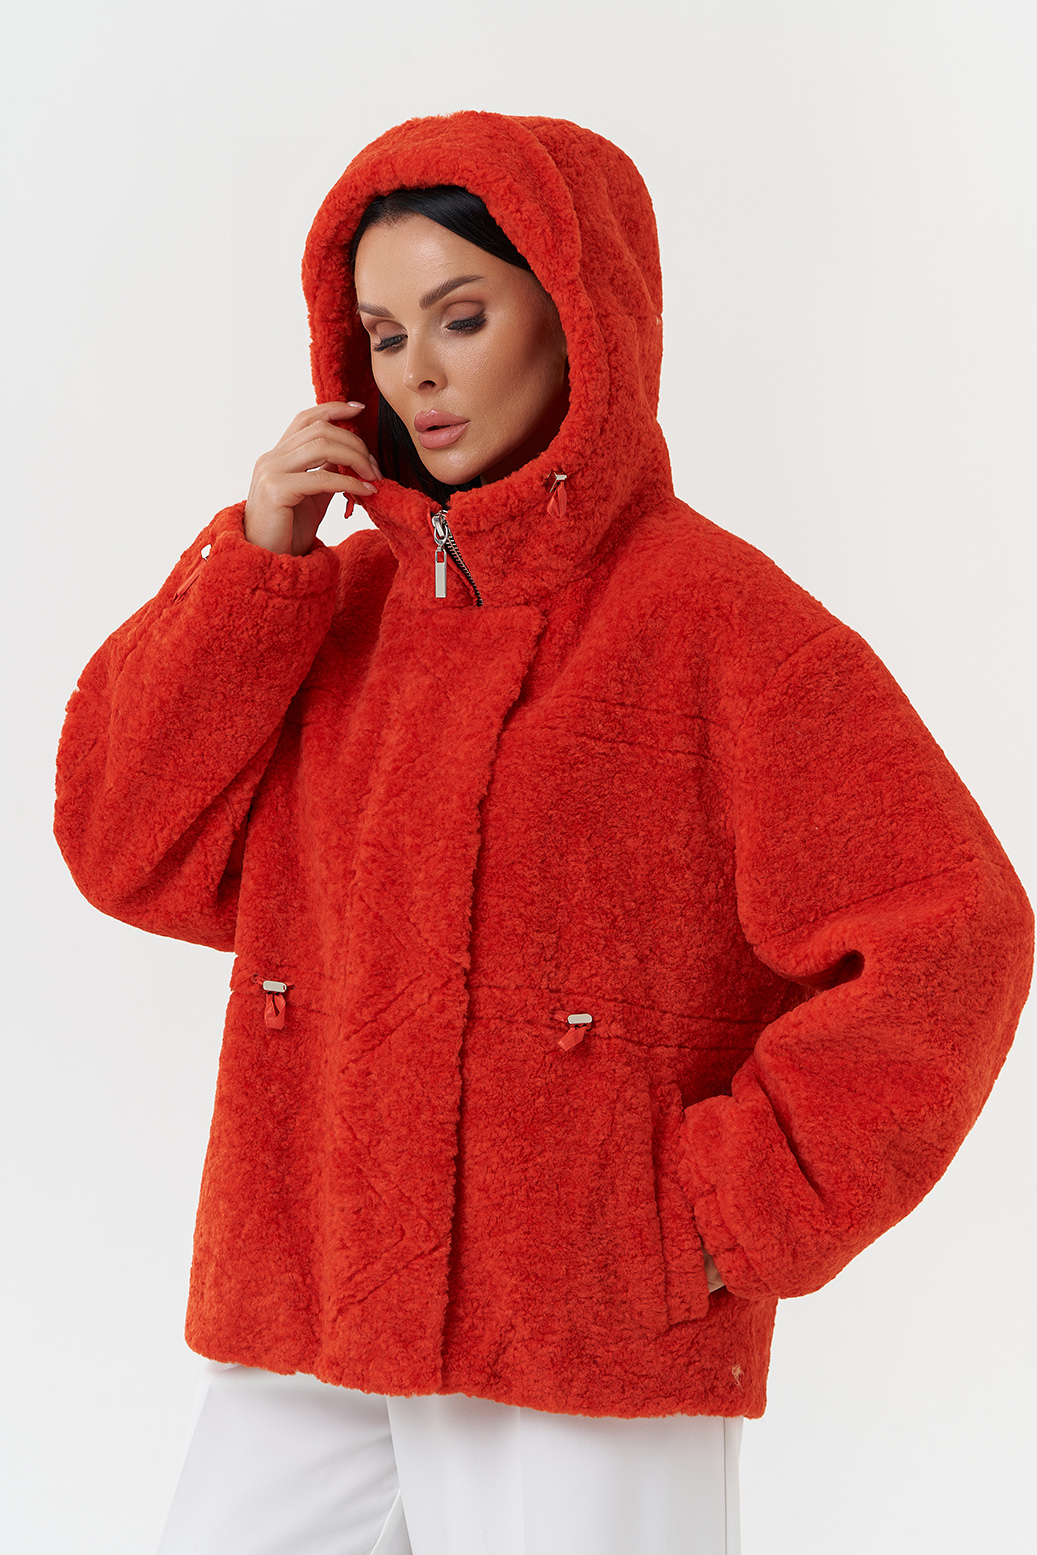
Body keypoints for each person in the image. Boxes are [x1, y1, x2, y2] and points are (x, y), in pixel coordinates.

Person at [54, 112, 1032, 1555]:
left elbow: (950, 933)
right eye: (384, 336)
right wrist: (254, 566)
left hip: (581, 1322)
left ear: (579, 315)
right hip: (310, 1297)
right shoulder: (338, 613)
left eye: (462, 316)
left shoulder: (722, 629)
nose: (417, 373)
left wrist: (722, 1215)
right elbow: (121, 844)